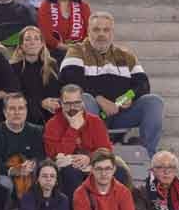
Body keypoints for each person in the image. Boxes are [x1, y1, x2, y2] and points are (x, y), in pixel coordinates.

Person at [60, 12, 163, 153]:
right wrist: (100, 99)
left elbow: (143, 84)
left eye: (106, 30)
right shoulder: (76, 51)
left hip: (120, 113)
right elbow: (71, 81)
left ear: (112, 33)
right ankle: (91, 154)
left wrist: (127, 97)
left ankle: (148, 156)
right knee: (84, 98)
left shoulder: (126, 55)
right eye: (96, 30)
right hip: (93, 112)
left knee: (153, 101)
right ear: (88, 31)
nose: (101, 34)